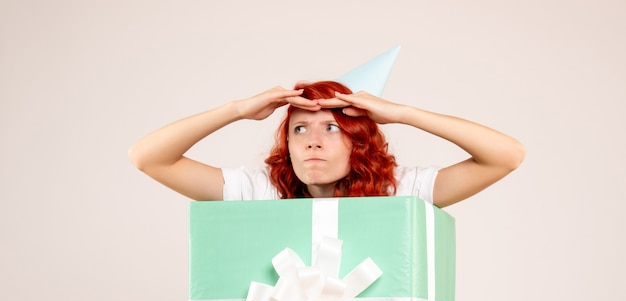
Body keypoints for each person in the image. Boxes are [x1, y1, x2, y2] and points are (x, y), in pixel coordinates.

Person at [128, 80, 525, 208]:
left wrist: (401, 112)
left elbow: (506, 156)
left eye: (331, 128)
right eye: (300, 129)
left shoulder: (399, 192)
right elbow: (148, 158)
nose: (313, 141)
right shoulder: (260, 191)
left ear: (358, 143)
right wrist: (237, 109)